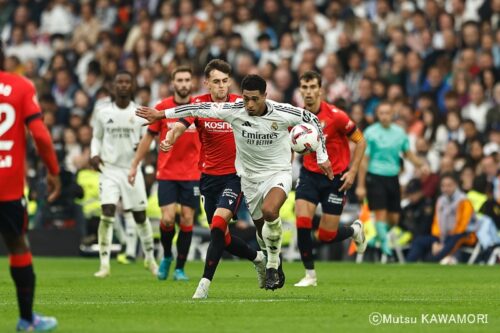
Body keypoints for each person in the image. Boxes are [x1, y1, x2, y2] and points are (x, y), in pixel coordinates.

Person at [136, 74, 334, 297]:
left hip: (277, 173)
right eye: (246, 98)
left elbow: (314, 120)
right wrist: (160, 114)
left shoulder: (283, 111)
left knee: (270, 212)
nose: (249, 104)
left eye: (255, 99)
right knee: (261, 230)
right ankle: (269, 259)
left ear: (265, 97)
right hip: (248, 178)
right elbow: (194, 109)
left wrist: (321, 156)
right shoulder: (233, 110)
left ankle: (271, 266)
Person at [155, 60, 266, 297]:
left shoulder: (240, 103)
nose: (221, 86)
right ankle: (258, 258)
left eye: (225, 81)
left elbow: (264, 121)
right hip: (207, 179)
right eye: (216, 82)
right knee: (222, 237)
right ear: (207, 83)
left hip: (235, 177)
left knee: (217, 225)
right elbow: (179, 125)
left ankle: (203, 285)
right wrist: (170, 139)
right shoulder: (198, 104)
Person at [0, 43, 60, 331]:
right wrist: (54, 172)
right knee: (17, 246)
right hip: (8, 188)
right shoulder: (21, 87)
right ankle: (26, 320)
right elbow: (41, 136)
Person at [293, 71, 367, 287]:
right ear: (300, 90)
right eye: (304, 87)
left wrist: (353, 172)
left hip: (335, 179)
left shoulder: (336, 116)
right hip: (309, 175)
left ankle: (354, 230)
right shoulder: (297, 117)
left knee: (326, 235)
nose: (308, 92)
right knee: (302, 221)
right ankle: (310, 275)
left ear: (320, 90)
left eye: (312, 87)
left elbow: (360, 141)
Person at [128, 66, 200, 281]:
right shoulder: (162, 108)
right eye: (180, 80)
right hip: (167, 172)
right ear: (173, 83)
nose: (184, 84)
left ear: (192, 82)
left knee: (187, 219)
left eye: (187, 79)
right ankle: (167, 256)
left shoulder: (199, 107)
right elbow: (148, 138)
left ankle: (180, 267)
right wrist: (134, 165)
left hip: (193, 173)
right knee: (168, 220)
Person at [90, 71, 157, 278]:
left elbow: (150, 140)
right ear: (113, 86)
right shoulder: (102, 111)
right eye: (119, 82)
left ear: (132, 86)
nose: (123, 85)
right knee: (107, 210)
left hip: (131, 169)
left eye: (127, 82)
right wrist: (94, 154)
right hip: (109, 169)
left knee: (139, 215)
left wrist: (144, 147)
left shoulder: (140, 113)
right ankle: (104, 264)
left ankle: (150, 258)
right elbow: (96, 137)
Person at [356, 101, 429, 256]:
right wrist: (361, 185)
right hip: (375, 176)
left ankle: (378, 237)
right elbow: (364, 160)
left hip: (393, 177)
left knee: (394, 218)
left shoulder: (399, 133)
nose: (384, 116)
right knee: (381, 213)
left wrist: (420, 165)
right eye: (381, 113)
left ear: (392, 114)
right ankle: (385, 246)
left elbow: (408, 154)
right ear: (377, 115)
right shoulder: (370, 132)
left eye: (387, 113)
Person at [406, 173, 477, 263]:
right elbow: (436, 222)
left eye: (449, 185)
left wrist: (443, 243)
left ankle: (432, 261)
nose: (446, 188)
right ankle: (408, 263)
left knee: (451, 242)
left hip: (464, 235)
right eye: (443, 186)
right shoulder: (441, 201)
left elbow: (463, 225)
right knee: (419, 241)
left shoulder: (464, 201)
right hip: (443, 236)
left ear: (456, 185)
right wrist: (437, 239)